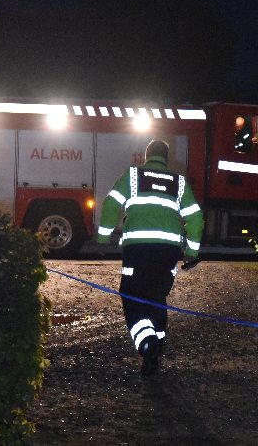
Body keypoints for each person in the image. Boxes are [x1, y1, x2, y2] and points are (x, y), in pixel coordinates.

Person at [97, 140, 204, 376]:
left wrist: (102, 240)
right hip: (169, 252)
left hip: (138, 250)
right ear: (166, 158)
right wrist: (191, 253)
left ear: (147, 156)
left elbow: (111, 204)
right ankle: (157, 346)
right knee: (157, 297)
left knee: (132, 297)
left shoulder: (134, 175)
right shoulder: (179, 182)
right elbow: (196, 218)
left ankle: (147, 344)